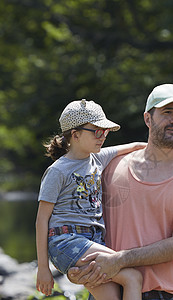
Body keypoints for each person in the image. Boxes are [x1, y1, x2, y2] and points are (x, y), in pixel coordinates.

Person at [68, 83, 173, 300]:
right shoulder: (110, 166)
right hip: (105, 291)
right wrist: (72, 262)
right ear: (148, 119)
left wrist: (119, 260)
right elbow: (71, 206)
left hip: (162, 295)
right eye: (167, 112)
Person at [35, 99, 145, 299]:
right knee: (133, 276)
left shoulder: (97, 158)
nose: (103, 136)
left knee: (114, 295)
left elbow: (136, 146)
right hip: (66, 241)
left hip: (92, 239)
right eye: (97, 131)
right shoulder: (58, 171)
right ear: (75, 135)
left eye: (105, 131)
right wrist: (44, 268)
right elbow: (42, 219)